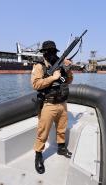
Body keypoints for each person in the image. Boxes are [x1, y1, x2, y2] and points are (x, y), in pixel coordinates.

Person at [31, 40, 73, 174]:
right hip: (48, 104)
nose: (52, 54)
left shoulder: (59, 65)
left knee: (62, 128)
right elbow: (36, 85)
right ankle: (38, 155)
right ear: (44, 53)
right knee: (42, 132)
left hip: (62, 103)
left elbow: (68, 81)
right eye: (49, 51)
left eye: (53, 51)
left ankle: (61, 148)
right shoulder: (40, 66)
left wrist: (67, 69)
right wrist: (52, 78)